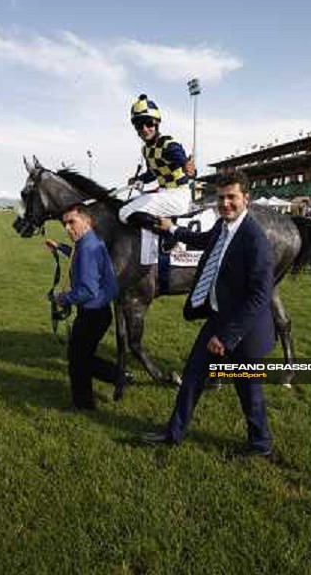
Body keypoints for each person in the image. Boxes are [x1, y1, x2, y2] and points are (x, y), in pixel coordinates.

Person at [140, 172, 278, 459]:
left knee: (248, 392)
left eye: (232, 198)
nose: (225, 203)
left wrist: (227, 337)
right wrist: (173, 229)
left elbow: (260, 297)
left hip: (244, 330)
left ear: (246, 199)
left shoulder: (256, 241)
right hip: (218, 318)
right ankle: (173, 433)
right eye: (221, 197)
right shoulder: (222, 226)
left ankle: (261, 445)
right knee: (192, 377)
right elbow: (202, 239)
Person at [46, 204, 127, 410]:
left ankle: (84, 406)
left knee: (77, 360)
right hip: (99, 312)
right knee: (82, 356)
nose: (67, 227)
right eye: (65, 223)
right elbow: (77, 256)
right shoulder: (89, 242)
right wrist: (60, 247)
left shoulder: (88, 249)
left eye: (72, 222)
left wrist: (61, 298)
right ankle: (119, 375)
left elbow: (86, 291)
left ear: (87, 221)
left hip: (92, 313)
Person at [118, 94, 195, 233]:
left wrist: (189, 169)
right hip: (163, 194)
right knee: (129, 204)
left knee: (124, 213)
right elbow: (152, 174)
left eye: (149, 123)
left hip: (178, 197)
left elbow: (187, 167)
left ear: (157, 123)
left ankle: (168, 234)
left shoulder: (169, 145)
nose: (145, 129)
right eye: (139, 125)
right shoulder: (146, 149)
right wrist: (138, 179)